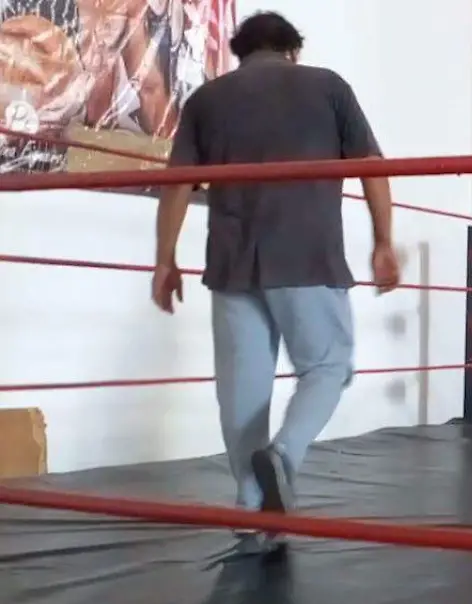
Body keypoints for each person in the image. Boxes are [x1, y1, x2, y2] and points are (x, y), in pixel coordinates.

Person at [150, 11, 401, 546]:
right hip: (306, 254)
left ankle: (250, 507)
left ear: (240, 52)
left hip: (232, 261)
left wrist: (165, 261)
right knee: (327, 365)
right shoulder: (327, 86)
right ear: (293, 50)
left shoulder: (206, 99)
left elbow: (177, 185)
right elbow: (372, 167)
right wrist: (383, 242)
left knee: (242, 392)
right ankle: (283, 456)